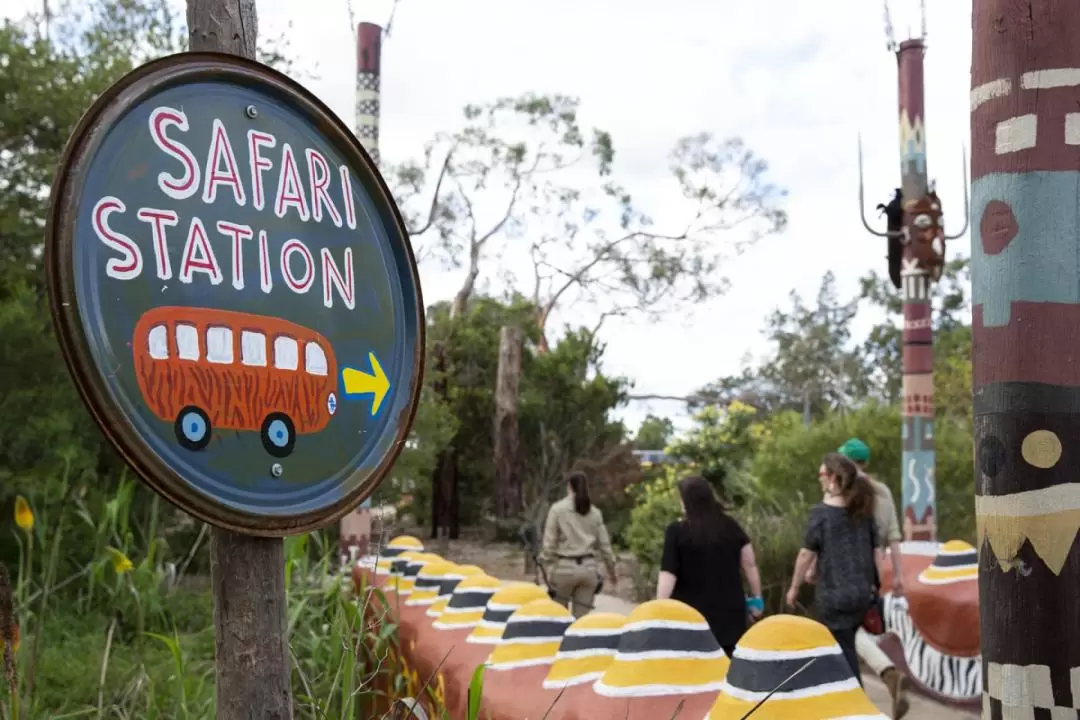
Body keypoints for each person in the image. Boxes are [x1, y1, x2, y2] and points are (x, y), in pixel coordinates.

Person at [786, 453, 880, 684]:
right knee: (845, 647)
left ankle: (855, 703)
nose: (819, 479)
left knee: (842, 655)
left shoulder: (822, 514)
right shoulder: (863, 511)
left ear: (832, 478)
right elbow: (874, 551)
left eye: (821, 474)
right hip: (861, 593)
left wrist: (794, 587)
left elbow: (806, 553)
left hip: (834, 596)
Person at [837, 438, 909, 718]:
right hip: (874, 568)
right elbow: (893, 537)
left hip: (847, 566)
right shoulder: (883, 491)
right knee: (854, 628)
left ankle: (882, 676)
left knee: (844, 628)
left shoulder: (846, 491)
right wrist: (899, 575)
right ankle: (886, 676)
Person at [656, 475, 763, 656]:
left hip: (690, 615)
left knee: (695, 670)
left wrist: (658, 608)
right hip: (731, 613)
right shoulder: (731, 526)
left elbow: (668, 572)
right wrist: (757, 598)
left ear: (686, 501)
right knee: (727, 667)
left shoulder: (677, 531)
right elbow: (749, 564)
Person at [539, 470, 618, 617]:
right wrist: (612, 572)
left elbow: (549, 544)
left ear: (569, 486)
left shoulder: (557, 509)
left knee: (558, 618)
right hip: (589, 570)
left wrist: (543, 567)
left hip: (563, 570)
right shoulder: (595, 512)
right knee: (581, 623)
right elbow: (605, 547)